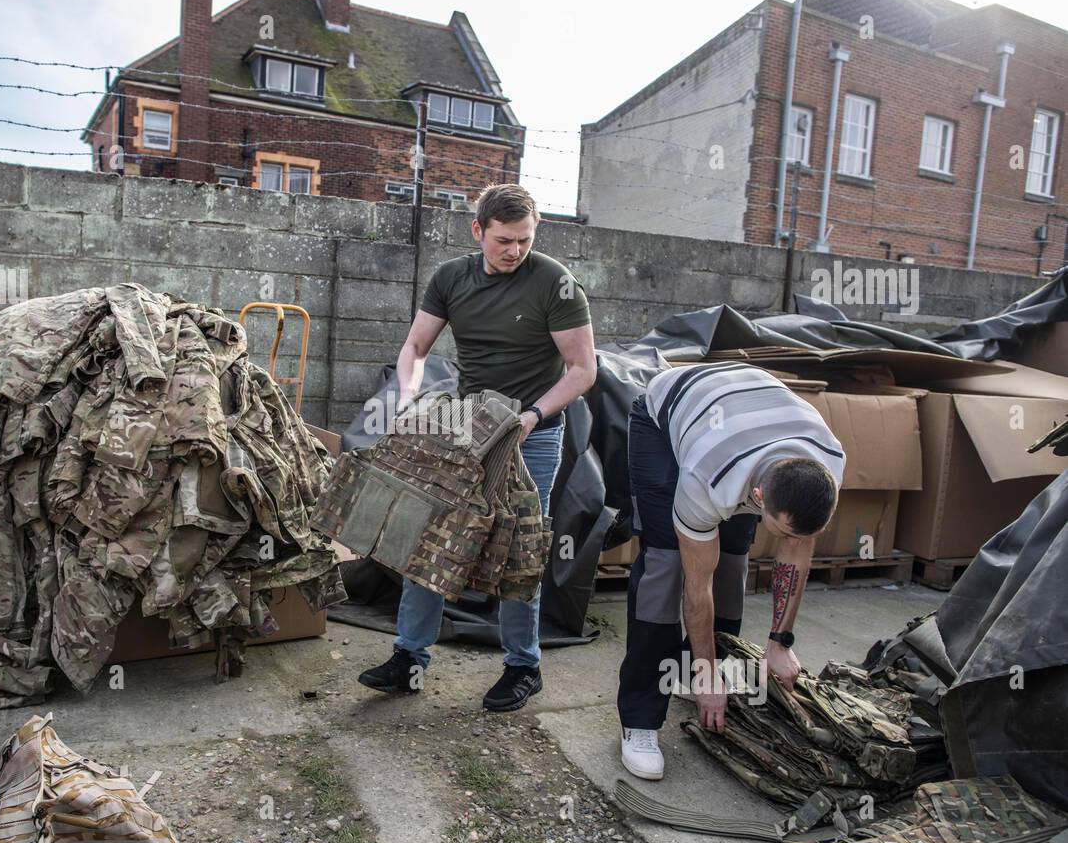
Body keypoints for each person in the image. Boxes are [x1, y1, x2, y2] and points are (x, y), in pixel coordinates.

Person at [357, 183, 596, 711]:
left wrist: (533, 415)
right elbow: (416, 346)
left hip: (531, 434)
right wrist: (410, 395)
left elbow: (583, 370)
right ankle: (409, 658)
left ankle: (522, 666)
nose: (515, 251)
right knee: (429, 533)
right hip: (467, 426)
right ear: (478, 231)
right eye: (504, 240)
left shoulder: (554, 283)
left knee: (518, 548)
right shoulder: (450, 278)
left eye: (525, 240)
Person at [617, 361, 845, 779]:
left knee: (734, 561)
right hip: (667, 420)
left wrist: (780, 641)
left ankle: (699, 674)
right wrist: (706, 676)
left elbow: (797, 549)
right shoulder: (707, 478)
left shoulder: (828, 461)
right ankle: (641, 719)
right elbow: (696, 587)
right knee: (666, 569)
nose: (788, 540)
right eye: (781, 529)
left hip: (742, 416)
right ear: (758, 497)